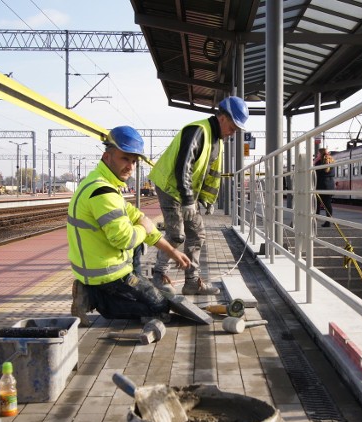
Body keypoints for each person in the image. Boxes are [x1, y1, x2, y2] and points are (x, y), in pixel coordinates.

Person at [68, 125, 191, 327]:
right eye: (125, 158)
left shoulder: (102, 183)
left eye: (134, 161)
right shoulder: (103, 192)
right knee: (159, 307)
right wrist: (142, 228)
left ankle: (100, 291)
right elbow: (124, 239)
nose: (130, 166)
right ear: (107, 156)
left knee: (139, 237)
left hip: (97, 265)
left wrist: (172, 252)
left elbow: (140, 219)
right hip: (106, 274)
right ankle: (93, 298)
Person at [149, 96, 249, 295]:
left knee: (197, 233)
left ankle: (192, 282)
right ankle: (159, 276)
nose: (233, 132)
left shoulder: (217, 141)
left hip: (186, 193)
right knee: (177, 234)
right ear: (222, 118)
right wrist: (187, 201)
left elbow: (210, 173)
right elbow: (183, 166)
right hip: (169, 187)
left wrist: (206, 199)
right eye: (233, 126)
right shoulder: (198, 131)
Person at [314, 147, 335, 227]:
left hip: (320, 185)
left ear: (320, 153)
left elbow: (316, 175)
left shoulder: (319, 162)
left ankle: (314, 220)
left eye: (318, 153)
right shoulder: (332, 161)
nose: (317, 155)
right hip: (329, 185)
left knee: (316, 204)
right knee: (327, 204)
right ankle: (328, 222)